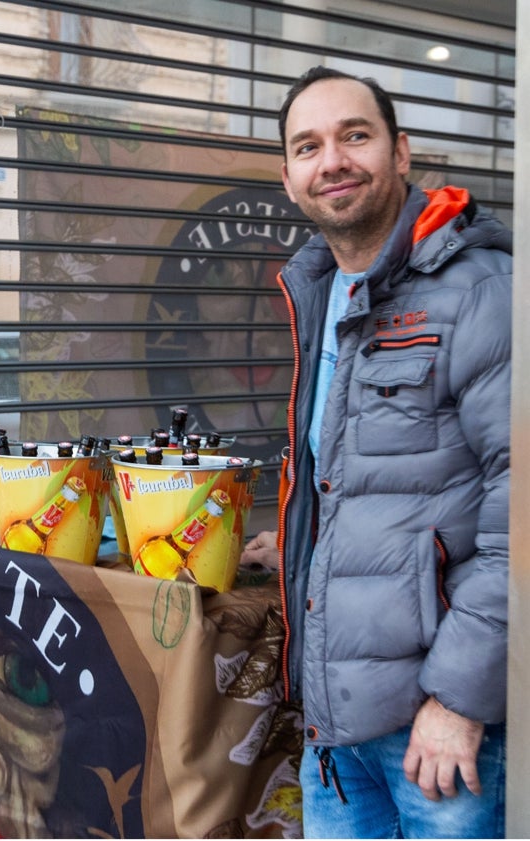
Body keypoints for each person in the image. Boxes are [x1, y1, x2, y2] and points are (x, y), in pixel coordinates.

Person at [241, 65, 510, 839]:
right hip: (334, 723)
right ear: (288, 177)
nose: (332, 160)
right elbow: (361, 481)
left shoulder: (483, 289)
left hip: (440, 731)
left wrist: (459, 699)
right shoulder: (321, 289)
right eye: (307, 145)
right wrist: (290, 546)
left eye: (354, 135)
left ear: (401, 153)